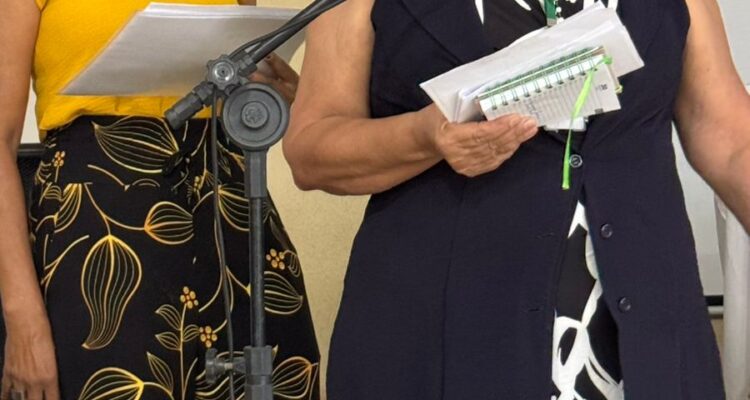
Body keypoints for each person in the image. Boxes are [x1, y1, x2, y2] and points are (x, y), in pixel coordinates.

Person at [284, 0, 750, 397]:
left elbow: (730, 140)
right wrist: (425, 138)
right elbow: (311, 151)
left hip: (646, 331)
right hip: (438, 334)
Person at [0, 1, 319, 399]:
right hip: (99, 226)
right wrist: (23, 321)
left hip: (231, 210)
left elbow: (251, 74)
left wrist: (283, 94)